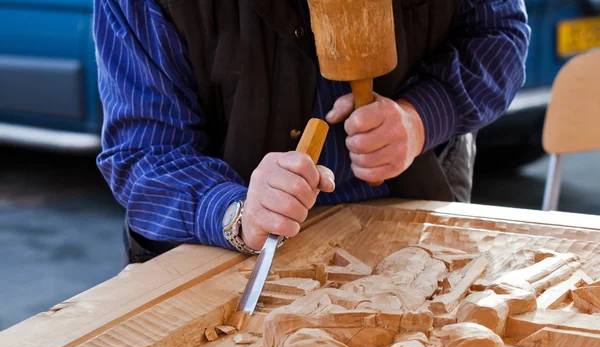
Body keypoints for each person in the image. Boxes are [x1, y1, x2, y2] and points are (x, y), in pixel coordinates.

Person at [93, 0, 530, 265]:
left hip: (413, 226)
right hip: (222, 258)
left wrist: (420, 118)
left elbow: (498, 35)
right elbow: (145, 151)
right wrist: (237, 213)